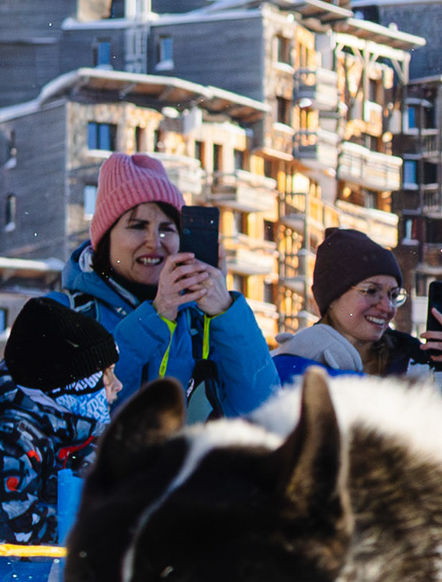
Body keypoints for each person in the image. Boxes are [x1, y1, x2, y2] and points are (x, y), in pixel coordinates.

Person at [56, 151, 277, 422]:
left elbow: (265, 412)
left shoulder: (201, 322)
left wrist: (225, 313)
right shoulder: (63, 314)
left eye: (167, 229)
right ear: (105, 239)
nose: (154, 241)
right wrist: (156, 317)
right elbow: (73, 409)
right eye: (138, 226)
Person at [272, 228, 442, 419]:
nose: (387, 307)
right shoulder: (285, 365)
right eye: (371, 291)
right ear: (332, 297)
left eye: (393, 295)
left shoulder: (423, 363)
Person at [0, 295, 115, 546]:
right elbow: (11, 530)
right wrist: (103, 535)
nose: (117, 385)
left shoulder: (70, 434)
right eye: (106, 375)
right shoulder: (8, 437)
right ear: (72, 383)